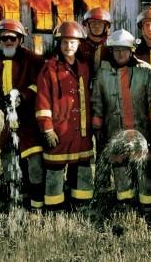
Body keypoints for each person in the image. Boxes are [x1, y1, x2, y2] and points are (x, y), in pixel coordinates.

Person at [91, 29, 151, 215]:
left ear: (132, 50)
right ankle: (125, 204)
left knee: (144, 168)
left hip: (142, 132)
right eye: (116, 50)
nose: (120, 54)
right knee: (120, 168)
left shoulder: (145, 71)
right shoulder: (103, 74)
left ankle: (148, 206)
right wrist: (97, 127)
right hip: (115, 131)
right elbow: (97, 102)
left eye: (124, 49)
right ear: (111, 51)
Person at [0, 19, 45, 209]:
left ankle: (37, 200)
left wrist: (23, 97)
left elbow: (40, 83)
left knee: (34, 158)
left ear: (20, 39)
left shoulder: (32, 59)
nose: (8, 41)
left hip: (30, 120)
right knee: (9, 154)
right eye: (4, 38)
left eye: (12, 38)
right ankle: (16, 194)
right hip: (10, 120)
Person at [35, 21, 94, 209]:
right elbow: (42, 100)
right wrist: (47, 129)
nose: (69, 46)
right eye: (65, 42)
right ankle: (54, 206)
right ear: (59, 44)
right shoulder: (49, 69)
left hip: (81, 131)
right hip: (59, 131)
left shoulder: (84, 67)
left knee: (82, 167)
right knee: (55, 169)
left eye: (73, 42)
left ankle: (81, 203)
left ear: (79, 44)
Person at [78, 7, 112, 75]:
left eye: (100, 23)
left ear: (106, 26)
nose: (96, 26)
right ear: (86, 25)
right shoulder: (78, 46)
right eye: (93, 22)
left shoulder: (112, 46)